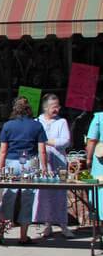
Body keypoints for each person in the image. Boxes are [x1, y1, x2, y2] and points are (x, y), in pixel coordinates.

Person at [0, 96, 48, 245]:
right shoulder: (37, 126)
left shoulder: (8, 126)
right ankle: (23, 236)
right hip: (30, 163)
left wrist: (0, 169)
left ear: (15, 109)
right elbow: (42, 151)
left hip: (11, 163)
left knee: (8, 197)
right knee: (27, 198)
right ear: (29, 109)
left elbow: (3, 151)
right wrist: (44, 168)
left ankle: (1, 234)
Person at [35, 94, 74, 238]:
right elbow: (34, 140)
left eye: (58, 106)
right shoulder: (37, 121)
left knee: (60, 193)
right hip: (43, 163)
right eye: (54, 106)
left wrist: (44, 141)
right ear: (46, 107)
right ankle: (47, 225)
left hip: (59, 162)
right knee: (44, 194)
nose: (57, 109)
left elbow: (65, 141)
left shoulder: (62, 122)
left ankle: (63, 225)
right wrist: (49, 141)